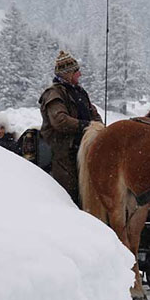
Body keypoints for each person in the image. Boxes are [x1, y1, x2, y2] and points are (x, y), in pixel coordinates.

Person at [39, 50, 102, 207]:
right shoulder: (53, 94)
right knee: (70, 195)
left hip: (84, 149)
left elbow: (93, 113)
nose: (79, 74)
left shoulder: (80, 93)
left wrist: (99, 127)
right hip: (63, 153)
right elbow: (59, 121)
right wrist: (86, 126)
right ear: (67, 74)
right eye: (76, 71)